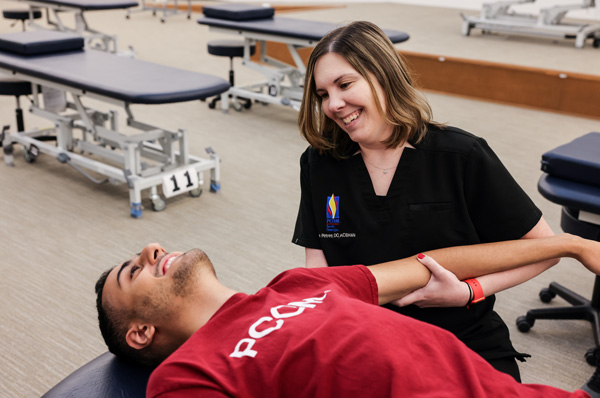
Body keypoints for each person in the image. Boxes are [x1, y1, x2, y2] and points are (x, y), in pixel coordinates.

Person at [293, 20, 555, 380]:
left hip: (463, 339)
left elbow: (546, 248)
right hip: (367, 340)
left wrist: (467, 291)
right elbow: (319, 267)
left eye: (345, 84)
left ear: (383, 76)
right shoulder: (319, 163)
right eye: (323, 94)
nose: (333, 105)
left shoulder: (460, 155)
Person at [96, 234, 600, 397]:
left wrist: (573, 245)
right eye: (132, 272)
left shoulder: (297, 283)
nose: (151, 247)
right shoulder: (186, 375)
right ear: (140, 332)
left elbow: (428, 266)